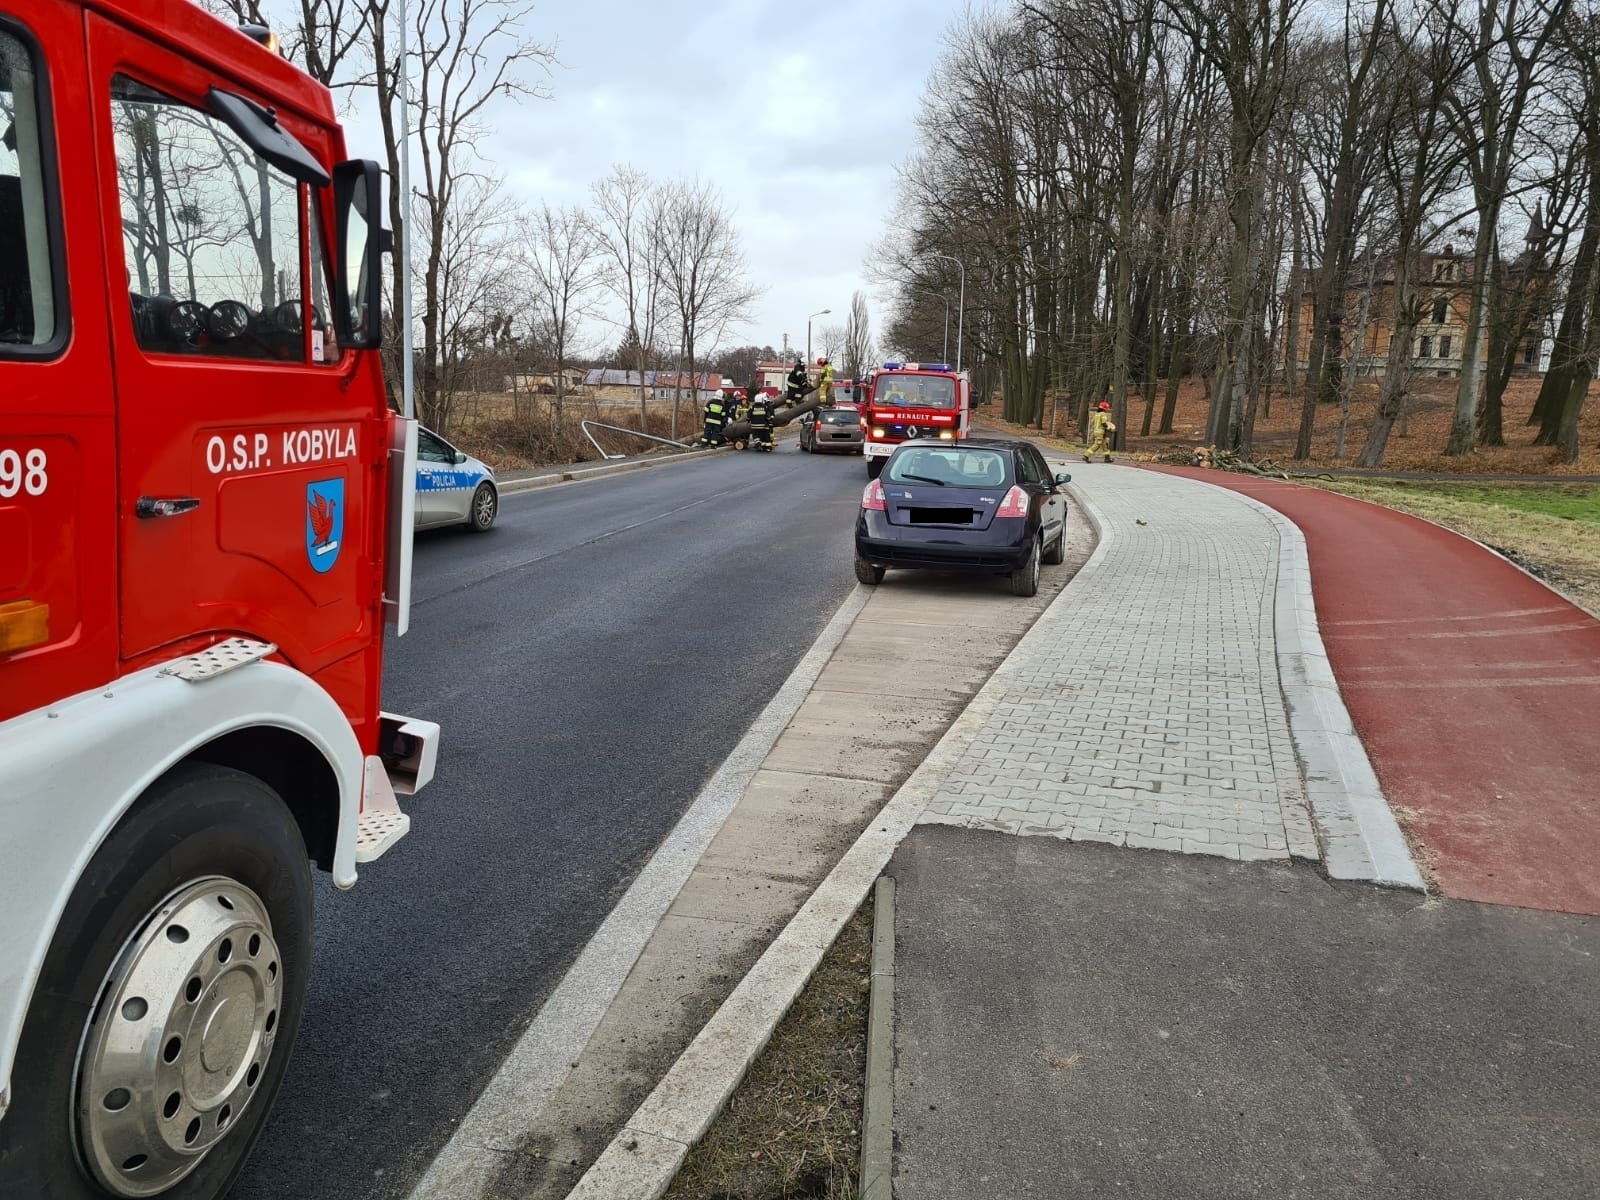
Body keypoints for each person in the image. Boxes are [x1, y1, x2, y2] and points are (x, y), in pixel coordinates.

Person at [1085, 398, 1116, 463]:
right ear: (1105, 408)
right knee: (1097, 445)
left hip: (1097, 431)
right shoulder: (1103, 414)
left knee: (1104, 445)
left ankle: (1107, 458)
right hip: (1100, 432)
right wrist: (1109, 428)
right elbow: (1104, 423)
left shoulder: (1096, 414)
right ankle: (1086, 456)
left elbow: (1093, 422)